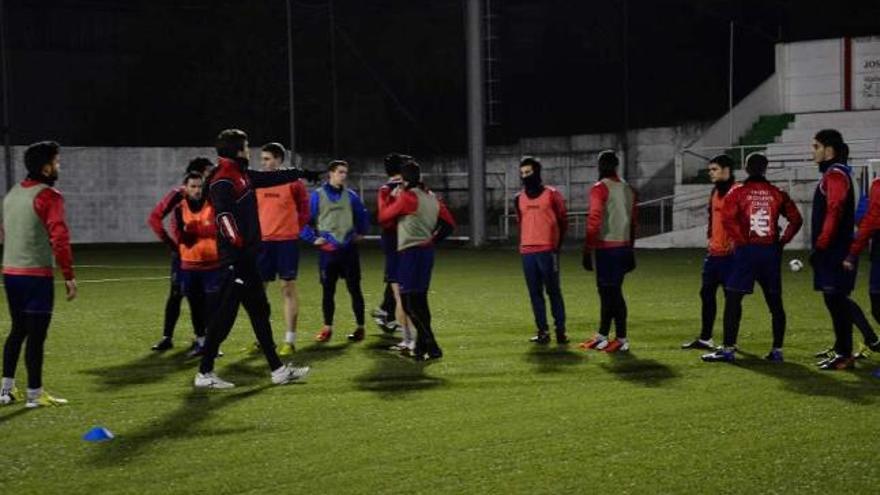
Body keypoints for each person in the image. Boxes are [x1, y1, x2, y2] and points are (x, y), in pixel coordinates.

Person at [195, 129, 316, 389]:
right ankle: (204, 373)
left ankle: (278, 370)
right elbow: (223, 217)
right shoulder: (224, 179)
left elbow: (270, 178)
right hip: (236, 259)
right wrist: (238, 245)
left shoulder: (240, 174)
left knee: (260, 311)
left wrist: (301, 174)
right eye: (246, 146)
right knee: (225, 316)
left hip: (247, 258)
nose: (249, 150)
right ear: (238, 149)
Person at [701, 153, 802, 363]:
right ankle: (777, 351)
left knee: (734, 299)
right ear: (765, 169)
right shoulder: (778, 193)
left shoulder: (738, 192)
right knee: (775, 303)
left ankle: (728, 349)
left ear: (746, 169)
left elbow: (727, 220)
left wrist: (741, 241)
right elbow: (796, 220)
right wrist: (782, 241)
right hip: (770, 254)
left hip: (747, 253)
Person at [0, 141, 76, 407]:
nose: (59, 166)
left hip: (10, 272)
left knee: (17, 330)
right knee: (36, 335)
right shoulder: (49, 195)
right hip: (35, 275)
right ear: (45, 168)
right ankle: (35, 394)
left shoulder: (12, 194)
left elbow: (5, 231)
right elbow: (60, 236)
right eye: (56, 162)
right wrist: (68, 274)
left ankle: (5, 390)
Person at [378, 160, 456, 360]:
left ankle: (432, 344)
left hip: (409, 253)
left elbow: (384, 217)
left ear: (403, 180)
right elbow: (449, 225)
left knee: (408, 302)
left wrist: (391, 198)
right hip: (426, 253)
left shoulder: (406, 197)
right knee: (421, 301)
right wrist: (432, 240)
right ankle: (421, 348)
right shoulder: (432, 197)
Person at [248, 142, 309, 356]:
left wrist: (292, 230)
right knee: (258, 292)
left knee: (287, 288)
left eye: (267, 159)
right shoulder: (256, 182)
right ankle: (261, 338)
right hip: (262, 244)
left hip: (286, 243)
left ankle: (289, 340)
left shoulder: (293, 183)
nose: (263, 163)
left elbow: (304, 210)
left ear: (278, 160)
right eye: (262, 159)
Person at [148, 157, 214, 351]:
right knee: (177, 294)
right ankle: (168, 337)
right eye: (208, 171)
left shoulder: (210, 194)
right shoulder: (179, 195)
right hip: (185, 255)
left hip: (205, 256)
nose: (211, 175)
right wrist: (172, 244)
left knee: (203, 297)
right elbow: (154, 218)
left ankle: (201, 338)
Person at [300, 160, 370, 343]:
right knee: (328, 292)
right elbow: (303, 222)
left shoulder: (351, 196)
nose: (343, 175)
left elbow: (363, 216)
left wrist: (362, 232)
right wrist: (313, 239)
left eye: (345, 172)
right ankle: (327, 328)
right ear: (330, 173)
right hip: (328, 252)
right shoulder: (317, 196)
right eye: (340, 172)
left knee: (355, 290)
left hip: (348, 251)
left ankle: (360, 327)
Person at [809, 129, 862, 370]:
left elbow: (835, 209)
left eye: (816, 146)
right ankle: (842, 350)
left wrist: (821, 244)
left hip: (834, 249)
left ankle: (845, 354)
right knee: (835, 301)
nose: (813, 151)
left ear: (828, 150)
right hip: (835, 248)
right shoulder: (837, 173)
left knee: (836, 300)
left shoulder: (836, 174)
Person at [579, 151, 637, 353]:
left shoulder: (599, 188)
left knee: (610, 293)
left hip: (606, 247)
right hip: (622, 247)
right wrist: (631, 249)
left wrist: (587, 250)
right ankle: (604, 335)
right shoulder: (628, 188)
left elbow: (594, 220)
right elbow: (633, 221)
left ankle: (620, 338)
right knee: (611, 292)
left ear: (600, 166)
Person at [682, 155, 737, 350]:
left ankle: (730, 343)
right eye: (710, 169)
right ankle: (706, 338)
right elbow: (712, 218)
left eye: (714, 169)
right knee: (706, 294)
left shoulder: (737, 191)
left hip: (732, 258)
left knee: (732, 299)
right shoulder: (715, 191)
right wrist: (710, 239)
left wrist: (736, 243)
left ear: (726, 170)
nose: (710, 173)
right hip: (713, 255)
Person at [514, 156, 569, 345]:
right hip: (527, 252)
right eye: (522, 173)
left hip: (547, 250)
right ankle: (542, 331)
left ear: (537, 172)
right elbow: (521, 223)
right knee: (534, 293)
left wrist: (556, 247)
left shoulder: (552, 194)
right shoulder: (518, 198)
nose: (525, 176)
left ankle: (561, 330)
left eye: (528, 172)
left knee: (553, 291)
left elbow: (563, 221)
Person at [173, 172, 222, 358]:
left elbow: (217, 230)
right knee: (195, 307)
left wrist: (196, 229)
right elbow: (179, 236)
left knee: (212, 307)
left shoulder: (213, 206)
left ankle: (213, 345)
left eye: (199, 186)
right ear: (185, 188)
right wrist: (189, 233)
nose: (196, 190)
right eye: (193, 186)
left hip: (212, 266)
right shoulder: (179, 208)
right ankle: (201, 343)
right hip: (189, 266)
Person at [376, 152, 416, 351]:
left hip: (394, 242)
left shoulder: (386, 189)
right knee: (408, 292)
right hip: (409, 240)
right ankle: (411, 335)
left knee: (400, 293)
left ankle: (409, 338)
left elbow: (384, 219)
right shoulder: (410, 187)